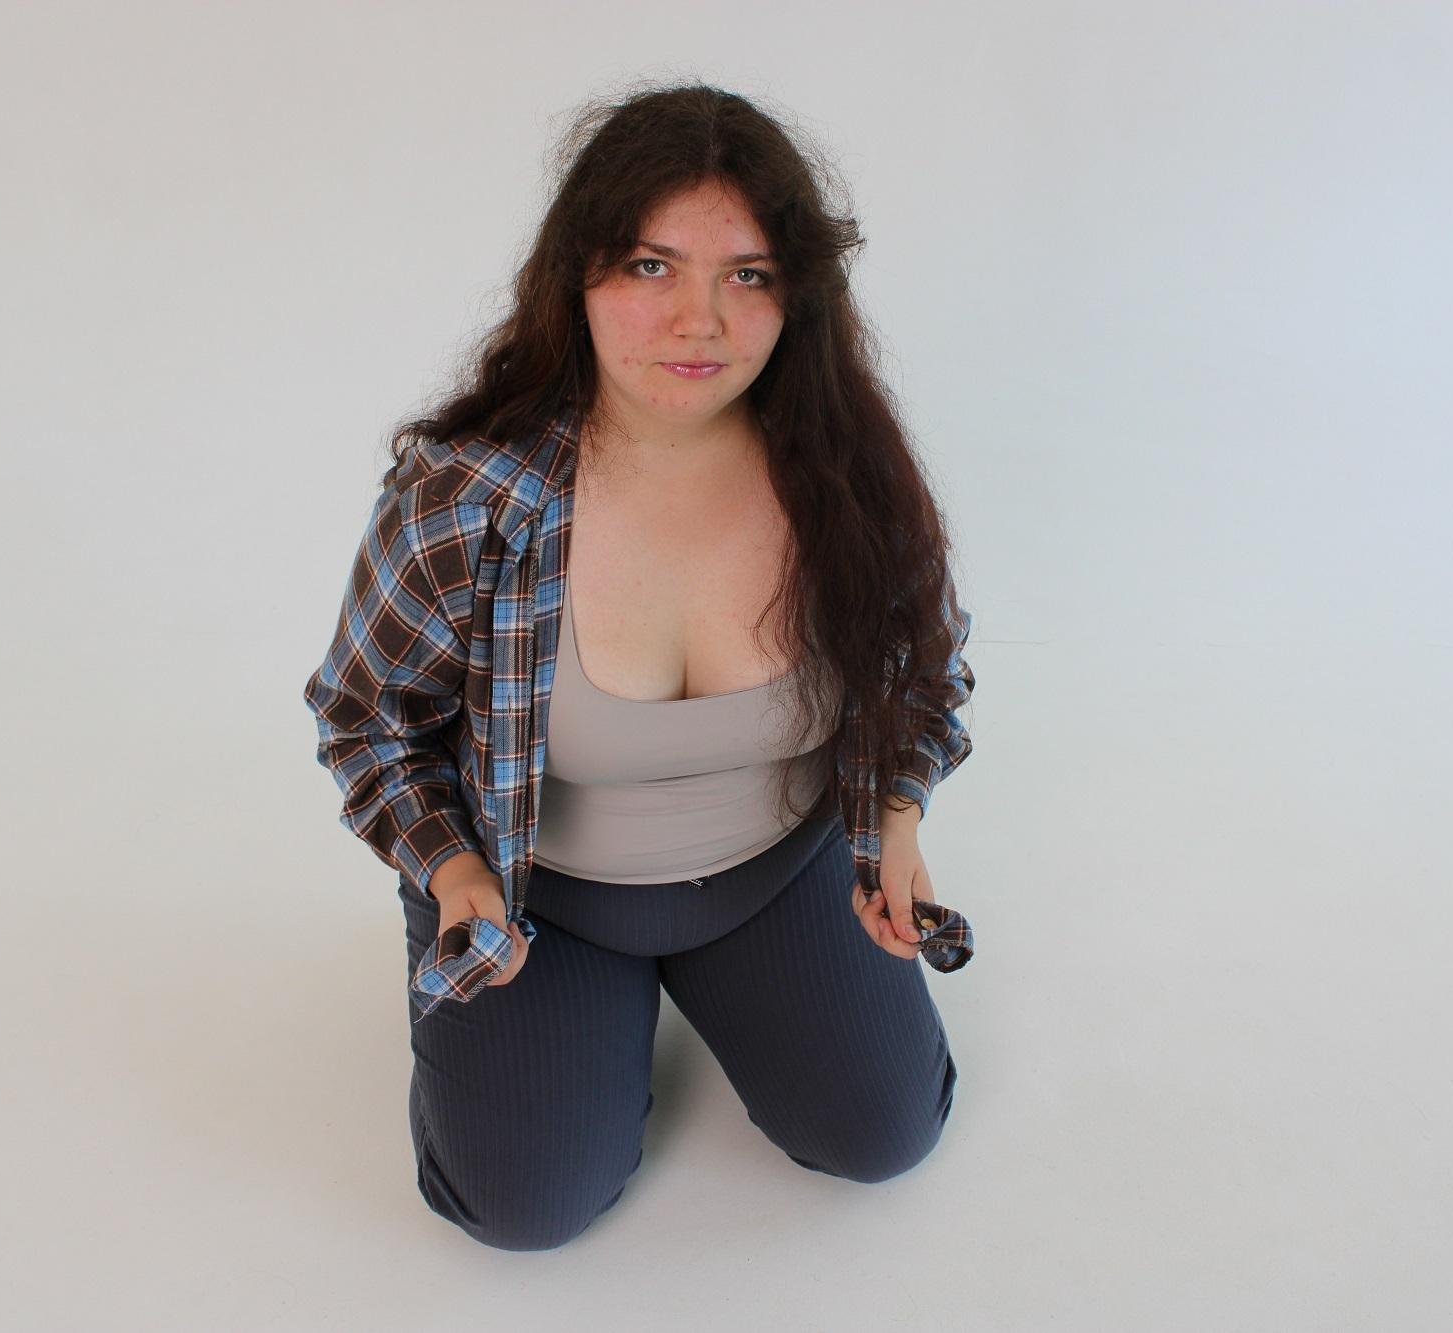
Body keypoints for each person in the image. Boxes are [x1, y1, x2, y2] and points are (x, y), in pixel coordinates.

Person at [302, 81, 977, 1250]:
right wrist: (455, 875)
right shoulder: (467, 498)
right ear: (577, 276)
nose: (697, 320)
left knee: (881, 1137)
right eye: (651, 267)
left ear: (796, 296)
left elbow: (923, 669)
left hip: (777, 869)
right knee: (521, 1209)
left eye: (747, 275)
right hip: (540, 899)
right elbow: (370, 721)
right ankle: (574, 1021)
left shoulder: (845, 474)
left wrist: (895, 820)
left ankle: (728, 983)